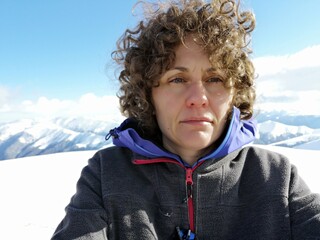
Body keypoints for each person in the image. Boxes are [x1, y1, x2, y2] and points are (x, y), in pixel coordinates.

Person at [52, 0, 320, 239]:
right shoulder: (106, 174)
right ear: (148, 94)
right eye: (177, 79)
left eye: (214, 79)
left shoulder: (276, 177)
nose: (198, 97)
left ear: (234, 94)